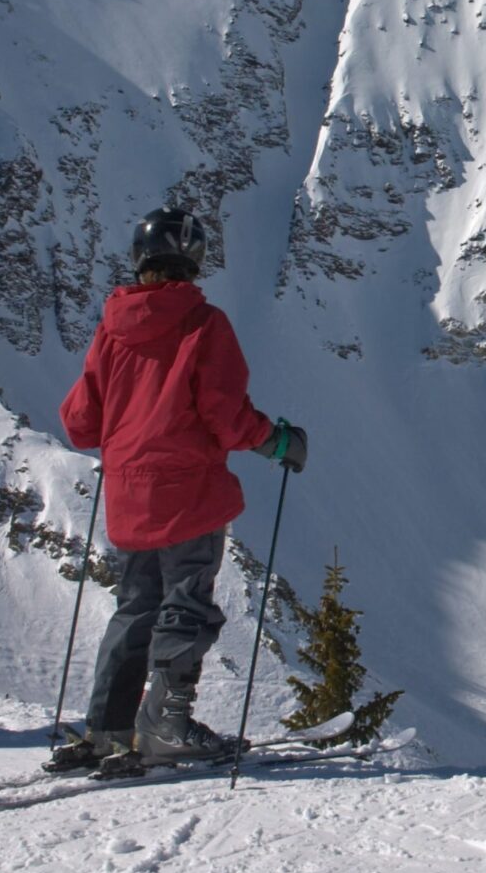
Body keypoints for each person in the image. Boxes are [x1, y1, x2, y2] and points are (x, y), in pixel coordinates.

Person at [58, 208, 307, 764]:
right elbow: (225, 414)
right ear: (193, 260)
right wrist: (279, 441)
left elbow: (80, 423)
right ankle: (166, 725)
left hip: (129, 496)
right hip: (189, 493)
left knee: (135, 608)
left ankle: (108, 729)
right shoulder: (203, 324)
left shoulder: (112, 329)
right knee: (185, 605)